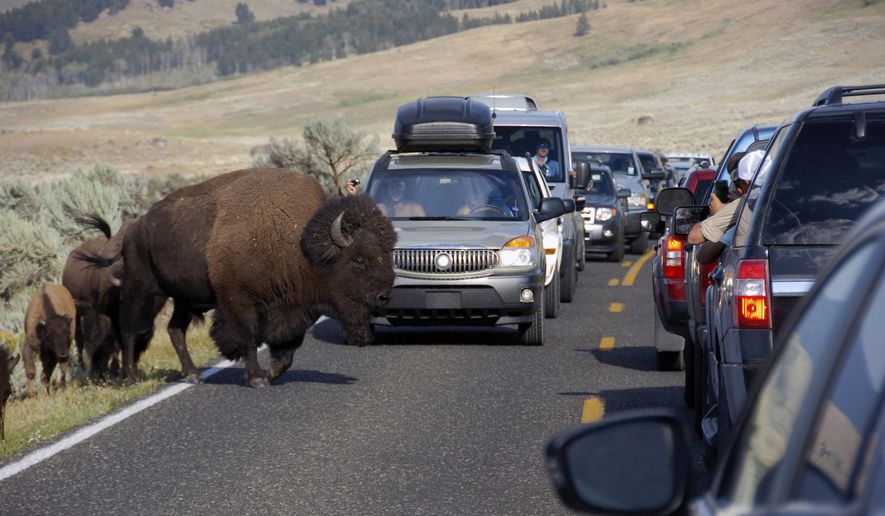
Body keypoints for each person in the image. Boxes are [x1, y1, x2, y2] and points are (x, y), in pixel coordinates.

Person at [688, 149, 765, 245]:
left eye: (738, 183)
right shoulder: (780, 197)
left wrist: (721, 212)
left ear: (746, 181)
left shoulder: (744, 204)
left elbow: (694, 237)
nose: (738, 190)